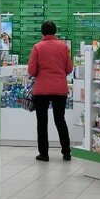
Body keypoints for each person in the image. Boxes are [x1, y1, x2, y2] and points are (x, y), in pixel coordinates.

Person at [28, 20, 73, 162]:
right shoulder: (63, 47)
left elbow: (31, 70)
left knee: (42, 122)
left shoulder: (37, 47)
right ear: (55, 32)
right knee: (60, 120)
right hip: (60, 89)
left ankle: (44, 154)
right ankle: (66, 152)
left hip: (41, 90)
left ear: (42, 32)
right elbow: (69, 69)